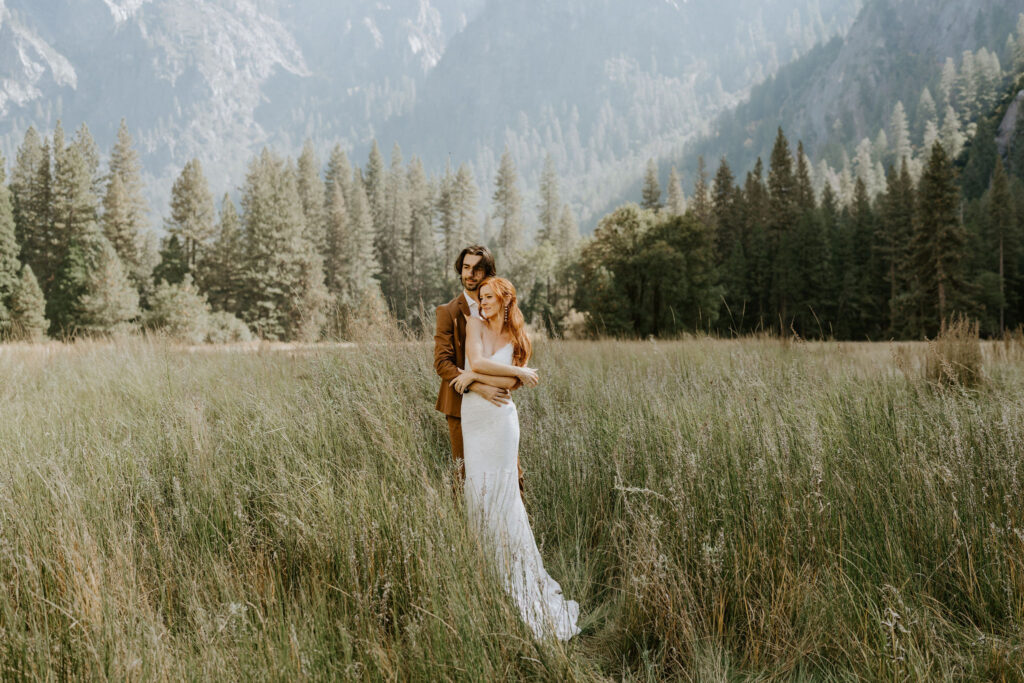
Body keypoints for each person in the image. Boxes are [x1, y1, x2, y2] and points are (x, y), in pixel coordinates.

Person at [449, 276, 580, 641]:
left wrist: (477, 376)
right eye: (480, 296)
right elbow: (475, 359)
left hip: (502, 423)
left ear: (506, 300)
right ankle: (482, 572)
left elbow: (509, 386)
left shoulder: (517, 337)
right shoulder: (473, 323)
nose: (483, 301)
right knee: (478, 490)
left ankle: (514, 575)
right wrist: (497, 371)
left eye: (490, 297)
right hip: (475, 420)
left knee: (504, 495)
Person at [433, 246, 524, 495]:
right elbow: (442, 362)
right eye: (465, 267)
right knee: (466, 478)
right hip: (461, 406)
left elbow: (514, 361)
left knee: (512, 475)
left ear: (488, 273)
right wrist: (477, 385)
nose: (470, 274)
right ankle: (465, 533)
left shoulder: (503, 311)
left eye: (477, 268)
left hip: (497, 407)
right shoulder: (448, 312)